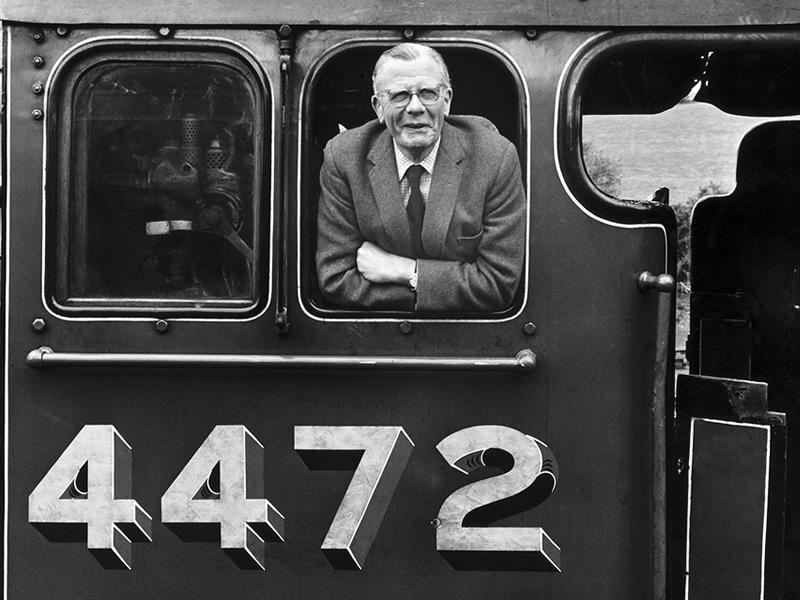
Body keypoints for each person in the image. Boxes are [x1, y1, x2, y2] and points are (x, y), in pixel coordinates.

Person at [315, 43, 526, 312]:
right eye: (400, 95)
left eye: (428, 93)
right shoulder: (344, 157)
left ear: (447, 101)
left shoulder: (495, 158)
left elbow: (497, 284)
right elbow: (336, 279)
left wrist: (408, 272)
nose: (415, 107)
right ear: (379, 107)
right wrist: (444, 287)